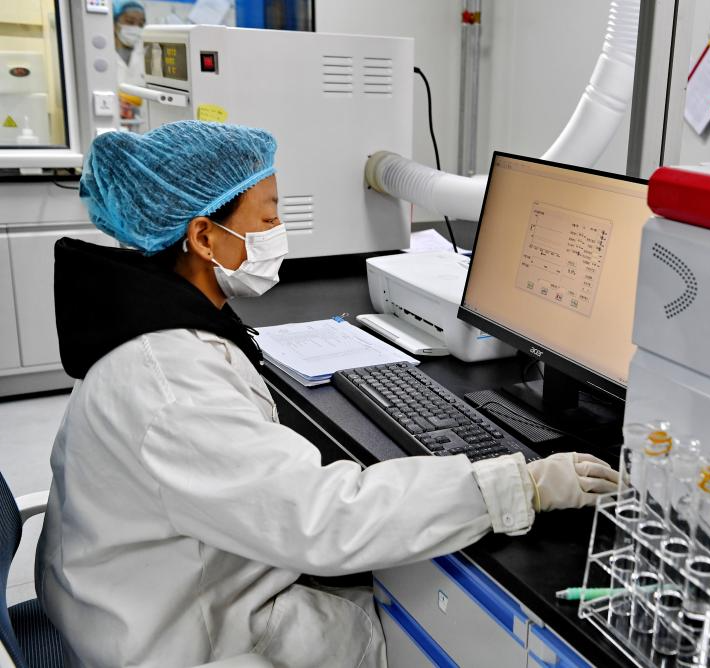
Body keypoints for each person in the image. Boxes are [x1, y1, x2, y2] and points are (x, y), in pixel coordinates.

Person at [36, 120, 619, 668]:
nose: (279, 232)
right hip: (179, 638)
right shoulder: (171, 384)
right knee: (420, 613)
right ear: (204, 236)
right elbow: (322, 521)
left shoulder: (152, 327)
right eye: (268, 216)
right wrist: (518, 485)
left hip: (148, 591)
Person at [113, 0, 146, 128]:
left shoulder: (146, 54)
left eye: (141, 24)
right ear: (115, 23)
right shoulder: (104, 54)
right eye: (130, 22)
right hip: (111, 124)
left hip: (141, 127)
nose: (136, 28)